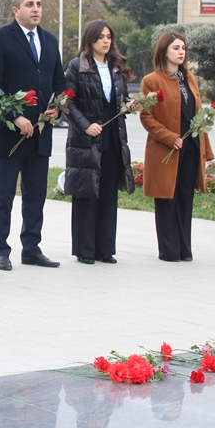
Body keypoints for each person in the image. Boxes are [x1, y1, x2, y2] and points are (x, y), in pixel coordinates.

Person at [0, 0, 67, 271]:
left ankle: (31, 248)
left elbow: (59, 81)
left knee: (36, 195)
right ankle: (0, 250)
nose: (36, 9)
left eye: (39, 4)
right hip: (10, 133)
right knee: (4, 194)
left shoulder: (49, 40)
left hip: (41, 132)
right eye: (29, 4)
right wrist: (14, 116)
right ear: (15, 10)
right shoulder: (0, 38)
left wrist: (57, 106)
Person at [139, 32, 215, 262]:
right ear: (164, 51)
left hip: (190, 148)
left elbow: (198, 114)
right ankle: (169, 251)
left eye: (183, 48)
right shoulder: (151, 80)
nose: (181, 52)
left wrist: (206, 149)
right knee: (166, 198)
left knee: (184, 198)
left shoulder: (189, 78)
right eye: (175, 48)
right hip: (166, 149)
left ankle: (184, 248)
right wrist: (169, 137)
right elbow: (146, 117)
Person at [63, 20, 134, 265]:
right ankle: (85, 250)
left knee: (107, 193)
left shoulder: (115, 67)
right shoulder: (77, 66)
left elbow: (121, 97)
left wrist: (127, 105)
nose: (106, 41)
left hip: (112, 135)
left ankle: (105, 249)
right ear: (90, 40)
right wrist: (85, 125)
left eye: (108, 37)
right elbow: (67, 102)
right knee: (86, 191)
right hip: (86, 138)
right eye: (101, 37)